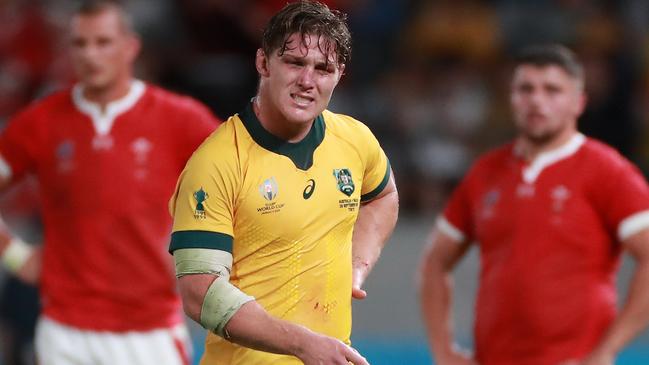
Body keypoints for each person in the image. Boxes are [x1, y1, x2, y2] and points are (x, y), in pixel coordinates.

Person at [169, 1, 399, 364]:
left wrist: (357, 264)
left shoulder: (355, 140)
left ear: (340, 75)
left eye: (323, 68)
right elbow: (200, 294)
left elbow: (382, 196)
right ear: (264, 63)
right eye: (295, 62)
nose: (307, 81)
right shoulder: (216, 163)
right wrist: (303, 344)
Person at [0, 1, 220, 364]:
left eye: (103, 42)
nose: (90, 54)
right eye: (80, 44)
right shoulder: (41, 122)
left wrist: (201, 257)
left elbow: (241, 184)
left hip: (150, 331)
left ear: (130, 47)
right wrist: (16, 255)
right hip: (64, 330)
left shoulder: (179, 119)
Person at [418, 44, 649, 365]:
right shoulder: (486, 172)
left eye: (552, 90)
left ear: (578, 102)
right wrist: (443, 351)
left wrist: (606, 351)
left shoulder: (608, 171)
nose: (537, 100)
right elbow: (434, 262)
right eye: (526, 89)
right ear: (511, 98)